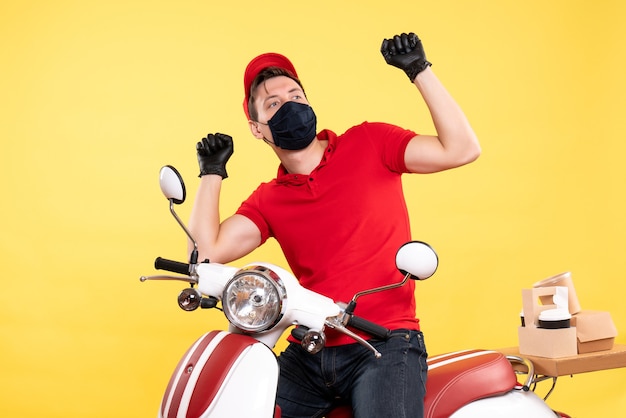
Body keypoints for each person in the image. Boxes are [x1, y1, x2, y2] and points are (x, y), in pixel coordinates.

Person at [188, 32, 480, 418]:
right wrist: (211, 173)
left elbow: (462, 149)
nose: (289, 106)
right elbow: (205, 256)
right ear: (257, 128)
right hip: (310, 347)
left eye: (295, 96)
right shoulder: (270, 198)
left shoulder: (370, 142)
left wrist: (418, 70)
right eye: (273, 104)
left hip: (385, 343)